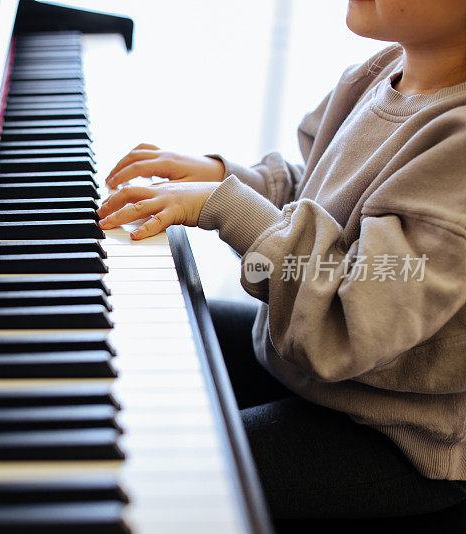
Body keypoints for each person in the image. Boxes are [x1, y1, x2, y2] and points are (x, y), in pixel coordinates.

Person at [96, 0, 466, 523]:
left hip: (396, 432)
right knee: (127, 331)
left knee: (157, 476)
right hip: (312, 366)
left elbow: (349, 319)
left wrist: (227, 208)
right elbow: (315, 197)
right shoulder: (379, 72)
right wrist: (225, 176)